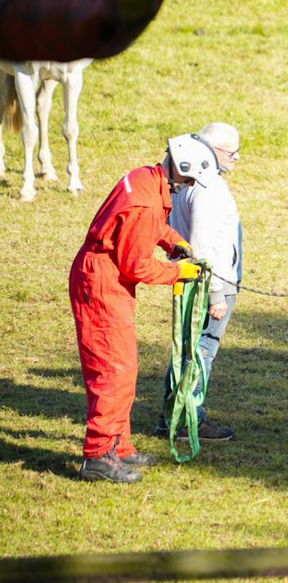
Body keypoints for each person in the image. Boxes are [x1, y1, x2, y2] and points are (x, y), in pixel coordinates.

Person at [69, 135, 214, 483]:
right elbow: (137, 266)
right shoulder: (146, 202)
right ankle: (98, 456)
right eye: (190, 180)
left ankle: (120, 447)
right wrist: (179, 272)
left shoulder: (147, 178)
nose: (190, 186)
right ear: (180, 170)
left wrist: (174, 241)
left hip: (106, 277)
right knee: (113, 370)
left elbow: (151, 228)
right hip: (103, 282)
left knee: (124, 368)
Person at [155, 122, 243, 442]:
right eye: (232, 152)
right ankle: (190, 419)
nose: (236, 158)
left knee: (186, 350)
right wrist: (218, 294)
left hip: (188, 278)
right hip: (209, 283)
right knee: (202, 350)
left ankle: (171, 416)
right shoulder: (209, 187)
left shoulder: (185, 182)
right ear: (214, 150)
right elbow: (203, 246)